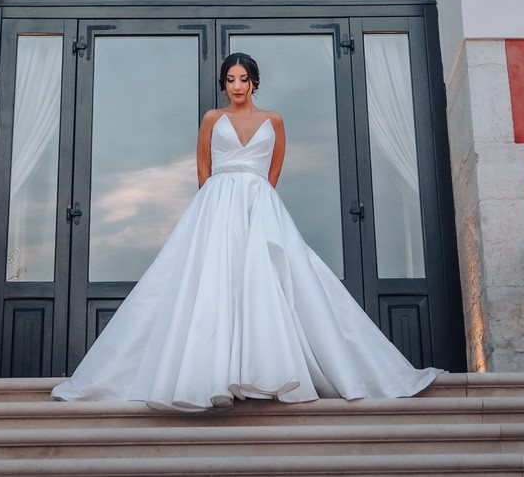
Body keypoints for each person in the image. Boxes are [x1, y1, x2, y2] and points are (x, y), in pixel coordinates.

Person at [51, 51, 441, 411]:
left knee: (273, 280)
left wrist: (255, 195)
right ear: (224, 84)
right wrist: (219, 203)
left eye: (243, 79)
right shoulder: (211, 119)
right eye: (230, 80)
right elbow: (202, 170)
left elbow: (274, 171)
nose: (237, 86)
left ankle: (267, 371)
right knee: (209, 284)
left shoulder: (274, 120)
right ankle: (207, 375)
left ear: (254, 82)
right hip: (216, 205)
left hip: (260, 203)